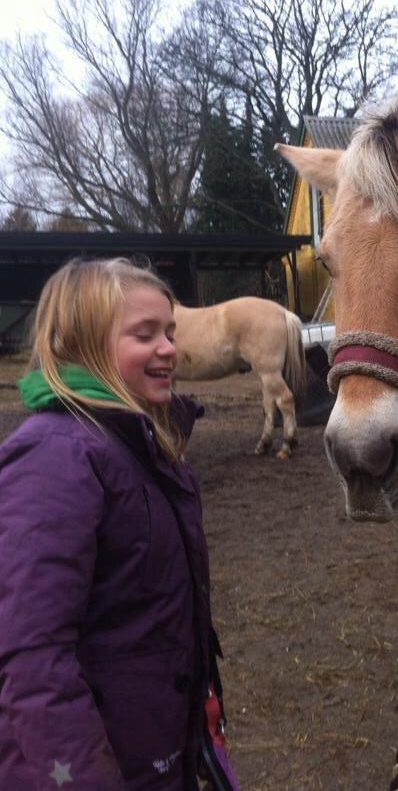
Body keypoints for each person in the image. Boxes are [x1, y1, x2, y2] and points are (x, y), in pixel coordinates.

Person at [0, 258, 238, 791]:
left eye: (170, 333)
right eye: (145, 334)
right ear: (84, 345)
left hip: (152, 754)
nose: (169, 349)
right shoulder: (56, 456)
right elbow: (32, 656)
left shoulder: (138, 447)